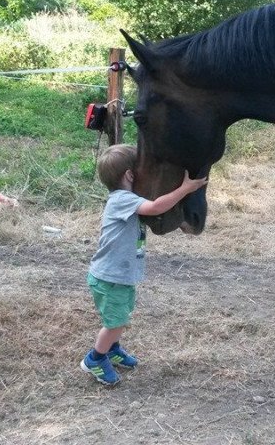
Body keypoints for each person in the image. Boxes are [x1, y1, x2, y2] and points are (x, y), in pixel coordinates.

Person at [80, 144, 208, 385]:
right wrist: (185, 188)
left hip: (119, 276)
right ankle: (95, 359)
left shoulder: (125, 198)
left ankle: (112, 349)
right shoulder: (122, 200)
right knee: (115, 322)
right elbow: (157, 207)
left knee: (121, 316)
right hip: (110, 278)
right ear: (130, 175)